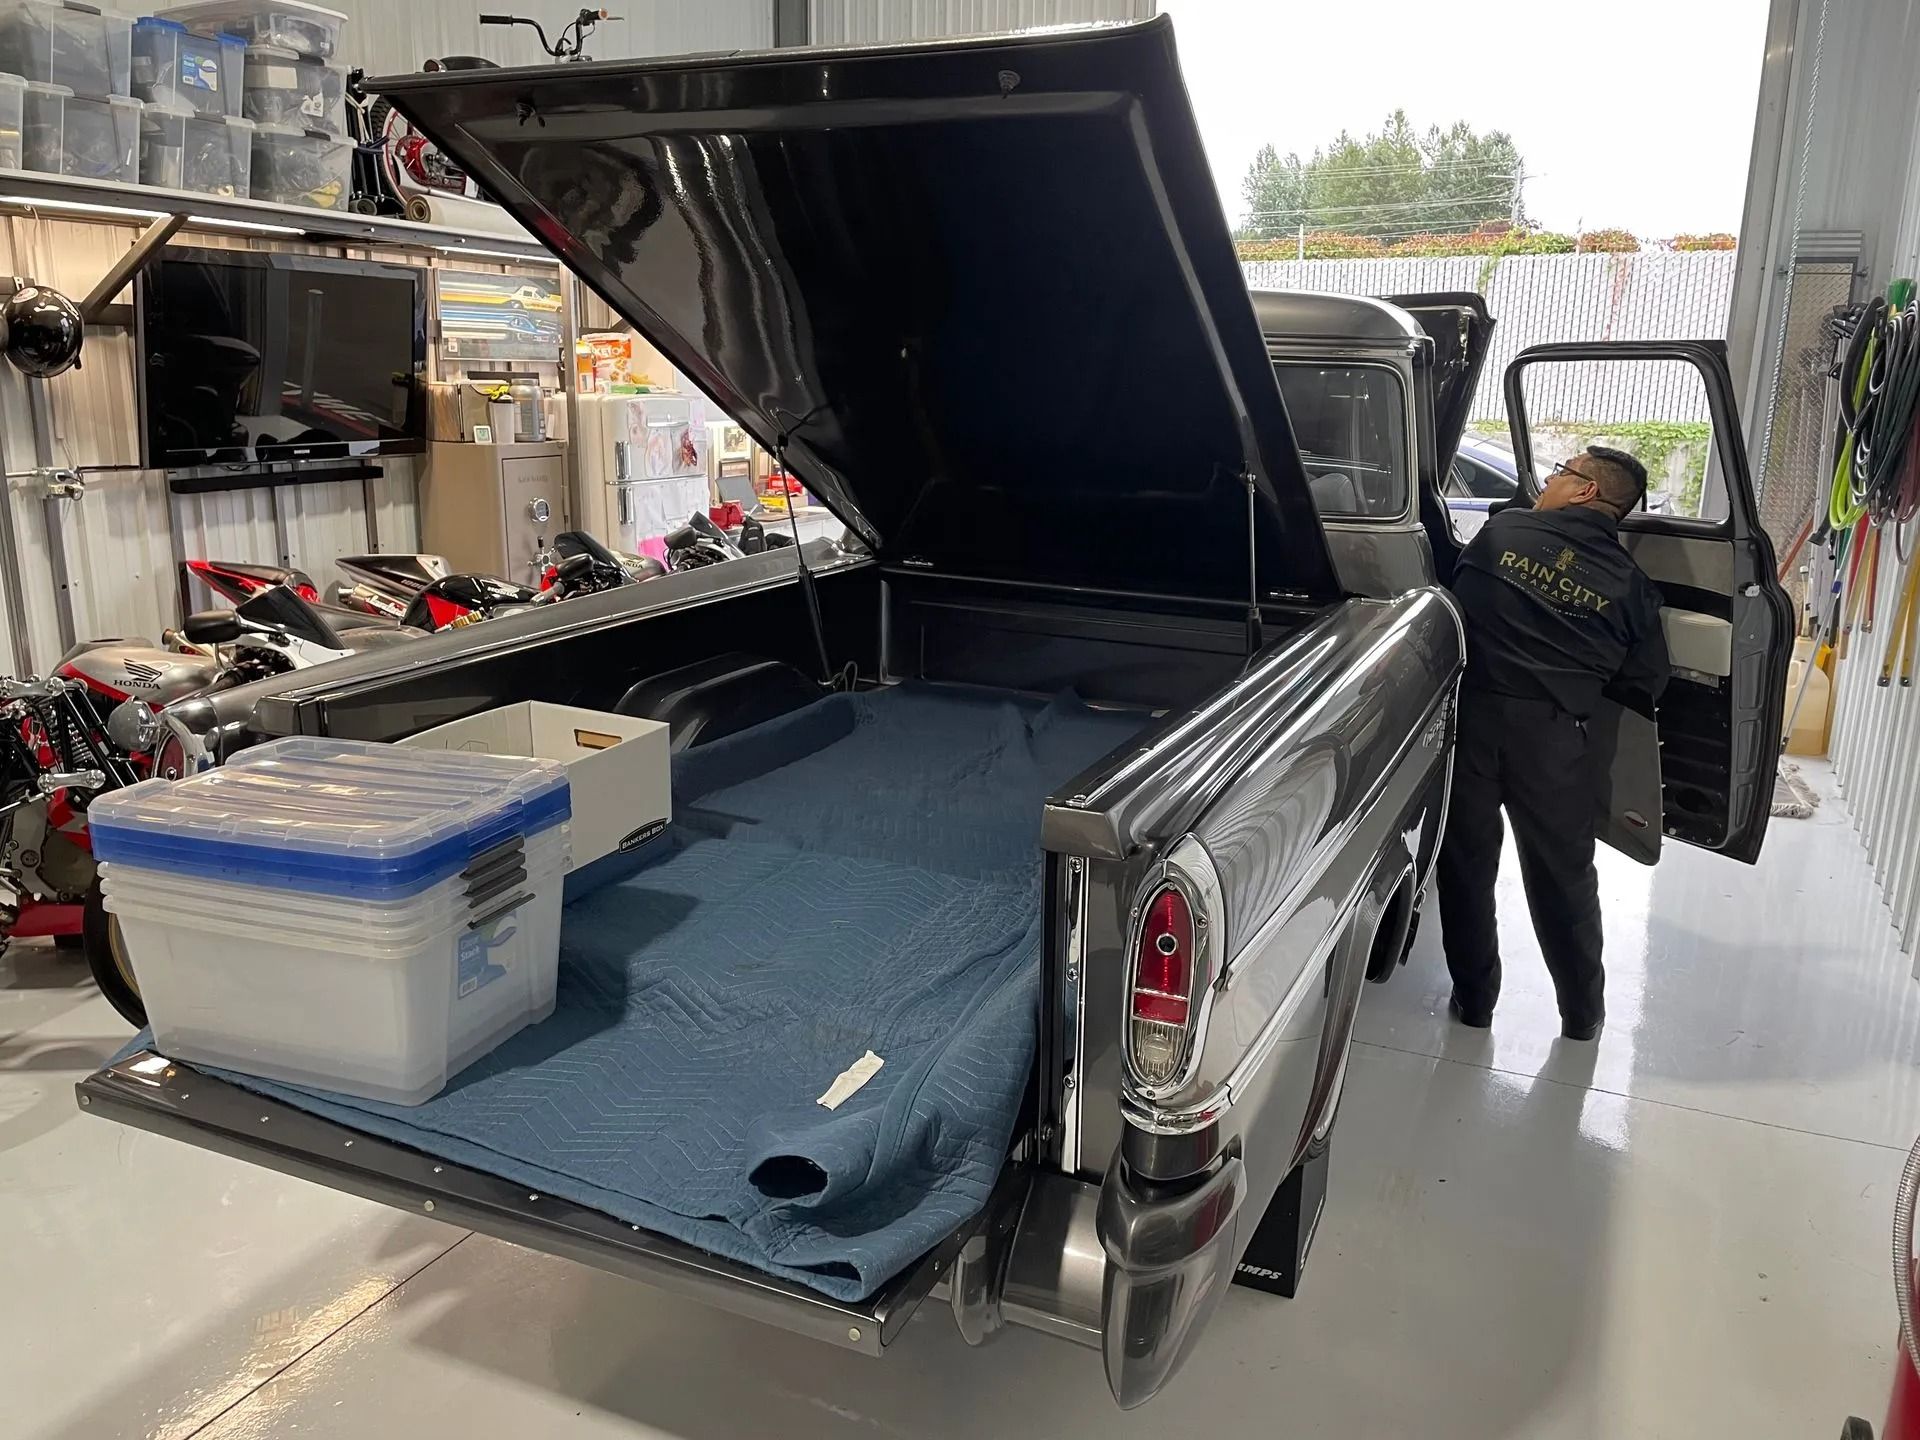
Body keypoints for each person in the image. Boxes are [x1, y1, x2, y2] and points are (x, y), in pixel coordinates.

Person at [1435, 445, 1669, 1041]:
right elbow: (1646, 680)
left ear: (1586, 490)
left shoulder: (1501, 532)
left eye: (1562, 471)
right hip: (1556, 739)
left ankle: (1475, 1000)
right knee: (1563, 877)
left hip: (1474, 724)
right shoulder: (1633, 586)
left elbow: (1455, 609)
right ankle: (1583, 1015)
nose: (1549, 480)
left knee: (1465, 867)